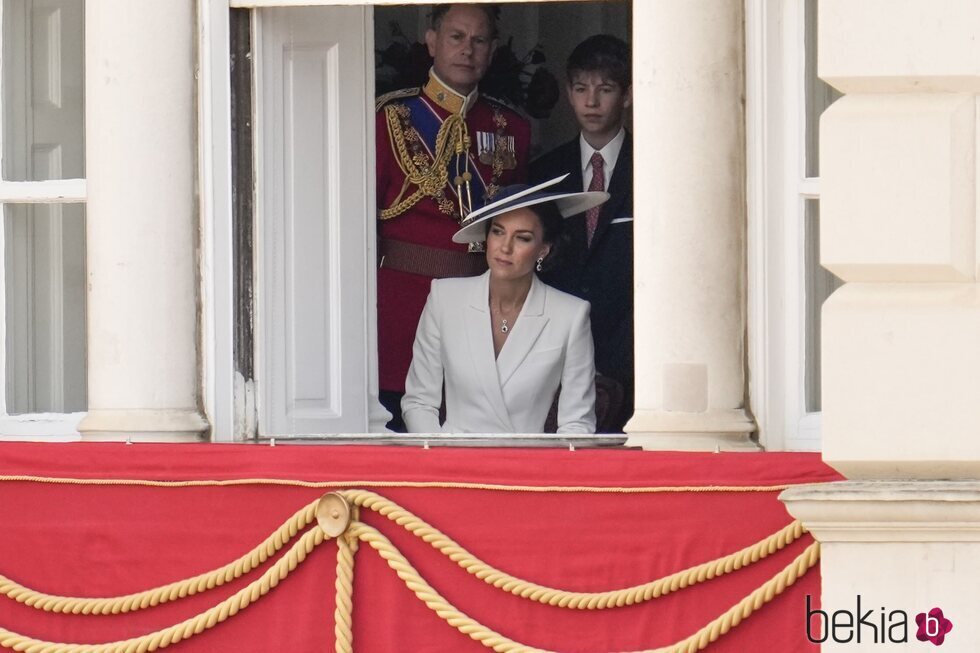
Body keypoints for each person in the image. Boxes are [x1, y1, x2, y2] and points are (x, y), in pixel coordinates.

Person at [376, 4, 531, 431]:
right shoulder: (389, 118)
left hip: (481, 306)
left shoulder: (511, 127)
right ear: (432, 41)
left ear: (493, 49)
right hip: (403, 306)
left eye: (479, 40)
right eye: (456, 37)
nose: (467, 50)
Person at [401, 176, 608, 434]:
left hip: (524, 467)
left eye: (522, 238)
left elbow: (577, 422)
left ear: (543, 249)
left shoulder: (571, 315)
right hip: (452, 462)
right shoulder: (444, 298)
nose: (505, 247)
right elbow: (419, 401)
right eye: (498, 231)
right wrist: (440, 455)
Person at [529, 34, 634, 431]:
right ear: (569, 93)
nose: (591, 102)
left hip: (632, 357)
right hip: (556, 360)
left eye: (605, 89)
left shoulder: (651, 168)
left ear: (626, 95)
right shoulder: (544, 174)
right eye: (581, 88)